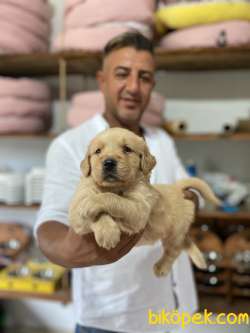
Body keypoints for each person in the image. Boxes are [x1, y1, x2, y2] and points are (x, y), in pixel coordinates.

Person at [35, 32, 200, 333]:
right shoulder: (72, 145)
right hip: (109, 318)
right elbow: (50, 223)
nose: (134, 87)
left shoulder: (160, 140)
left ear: (152, 85)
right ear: (102, 80)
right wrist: (66, 248)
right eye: (122, 74)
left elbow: (183, 192)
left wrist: (186, 202)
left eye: (145, 77)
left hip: (169, 310)